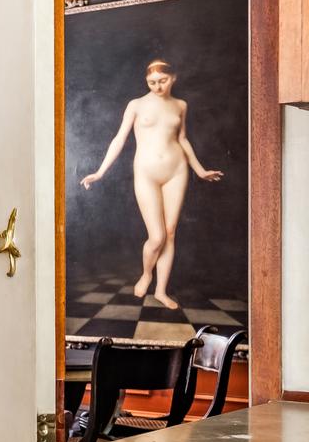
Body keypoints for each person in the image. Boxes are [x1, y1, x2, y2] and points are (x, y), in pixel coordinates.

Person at [78, 59, 224, 310]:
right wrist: (100, 172)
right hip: (146, 172)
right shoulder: (136, 105)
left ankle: (161, 290)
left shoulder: (181, 105)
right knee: (156, 236)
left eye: (162, 81)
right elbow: (119, 139)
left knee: (169, 233)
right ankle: (147, 273)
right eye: (152, 82)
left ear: (173, 78)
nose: (157, 86)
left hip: (176, 170)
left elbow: (183, 139)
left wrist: (199, 171)